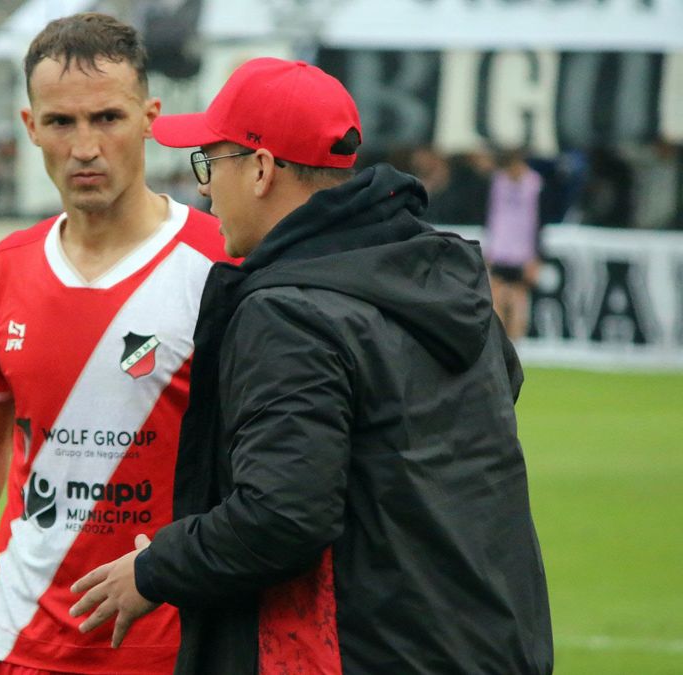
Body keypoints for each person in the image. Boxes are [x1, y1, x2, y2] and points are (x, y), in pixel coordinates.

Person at [70, 57, 553, 674]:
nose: (205, 188)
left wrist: (154, 568)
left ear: (263, 169)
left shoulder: (289, 312)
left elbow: (282, 516)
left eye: (211, 163)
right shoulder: (440, 276)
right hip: (492, 641)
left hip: (367, 650)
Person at [0, 13, 228, 675]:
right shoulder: (7, 268)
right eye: (62, 123)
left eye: (108, 118)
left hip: (165, 639)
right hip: (17, 634)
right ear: (29, 126)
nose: (86, 146)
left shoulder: (218, 265)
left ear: (150, 117)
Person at [485, 147, 544, 341]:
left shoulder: (534, 183)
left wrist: (536, 256)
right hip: (500, 250)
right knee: (497, 299)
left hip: (523, 253)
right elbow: (492, 217)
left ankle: (516, 347)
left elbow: (538, 222)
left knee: (519, 300)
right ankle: (500, 344)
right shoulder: (498, 182)